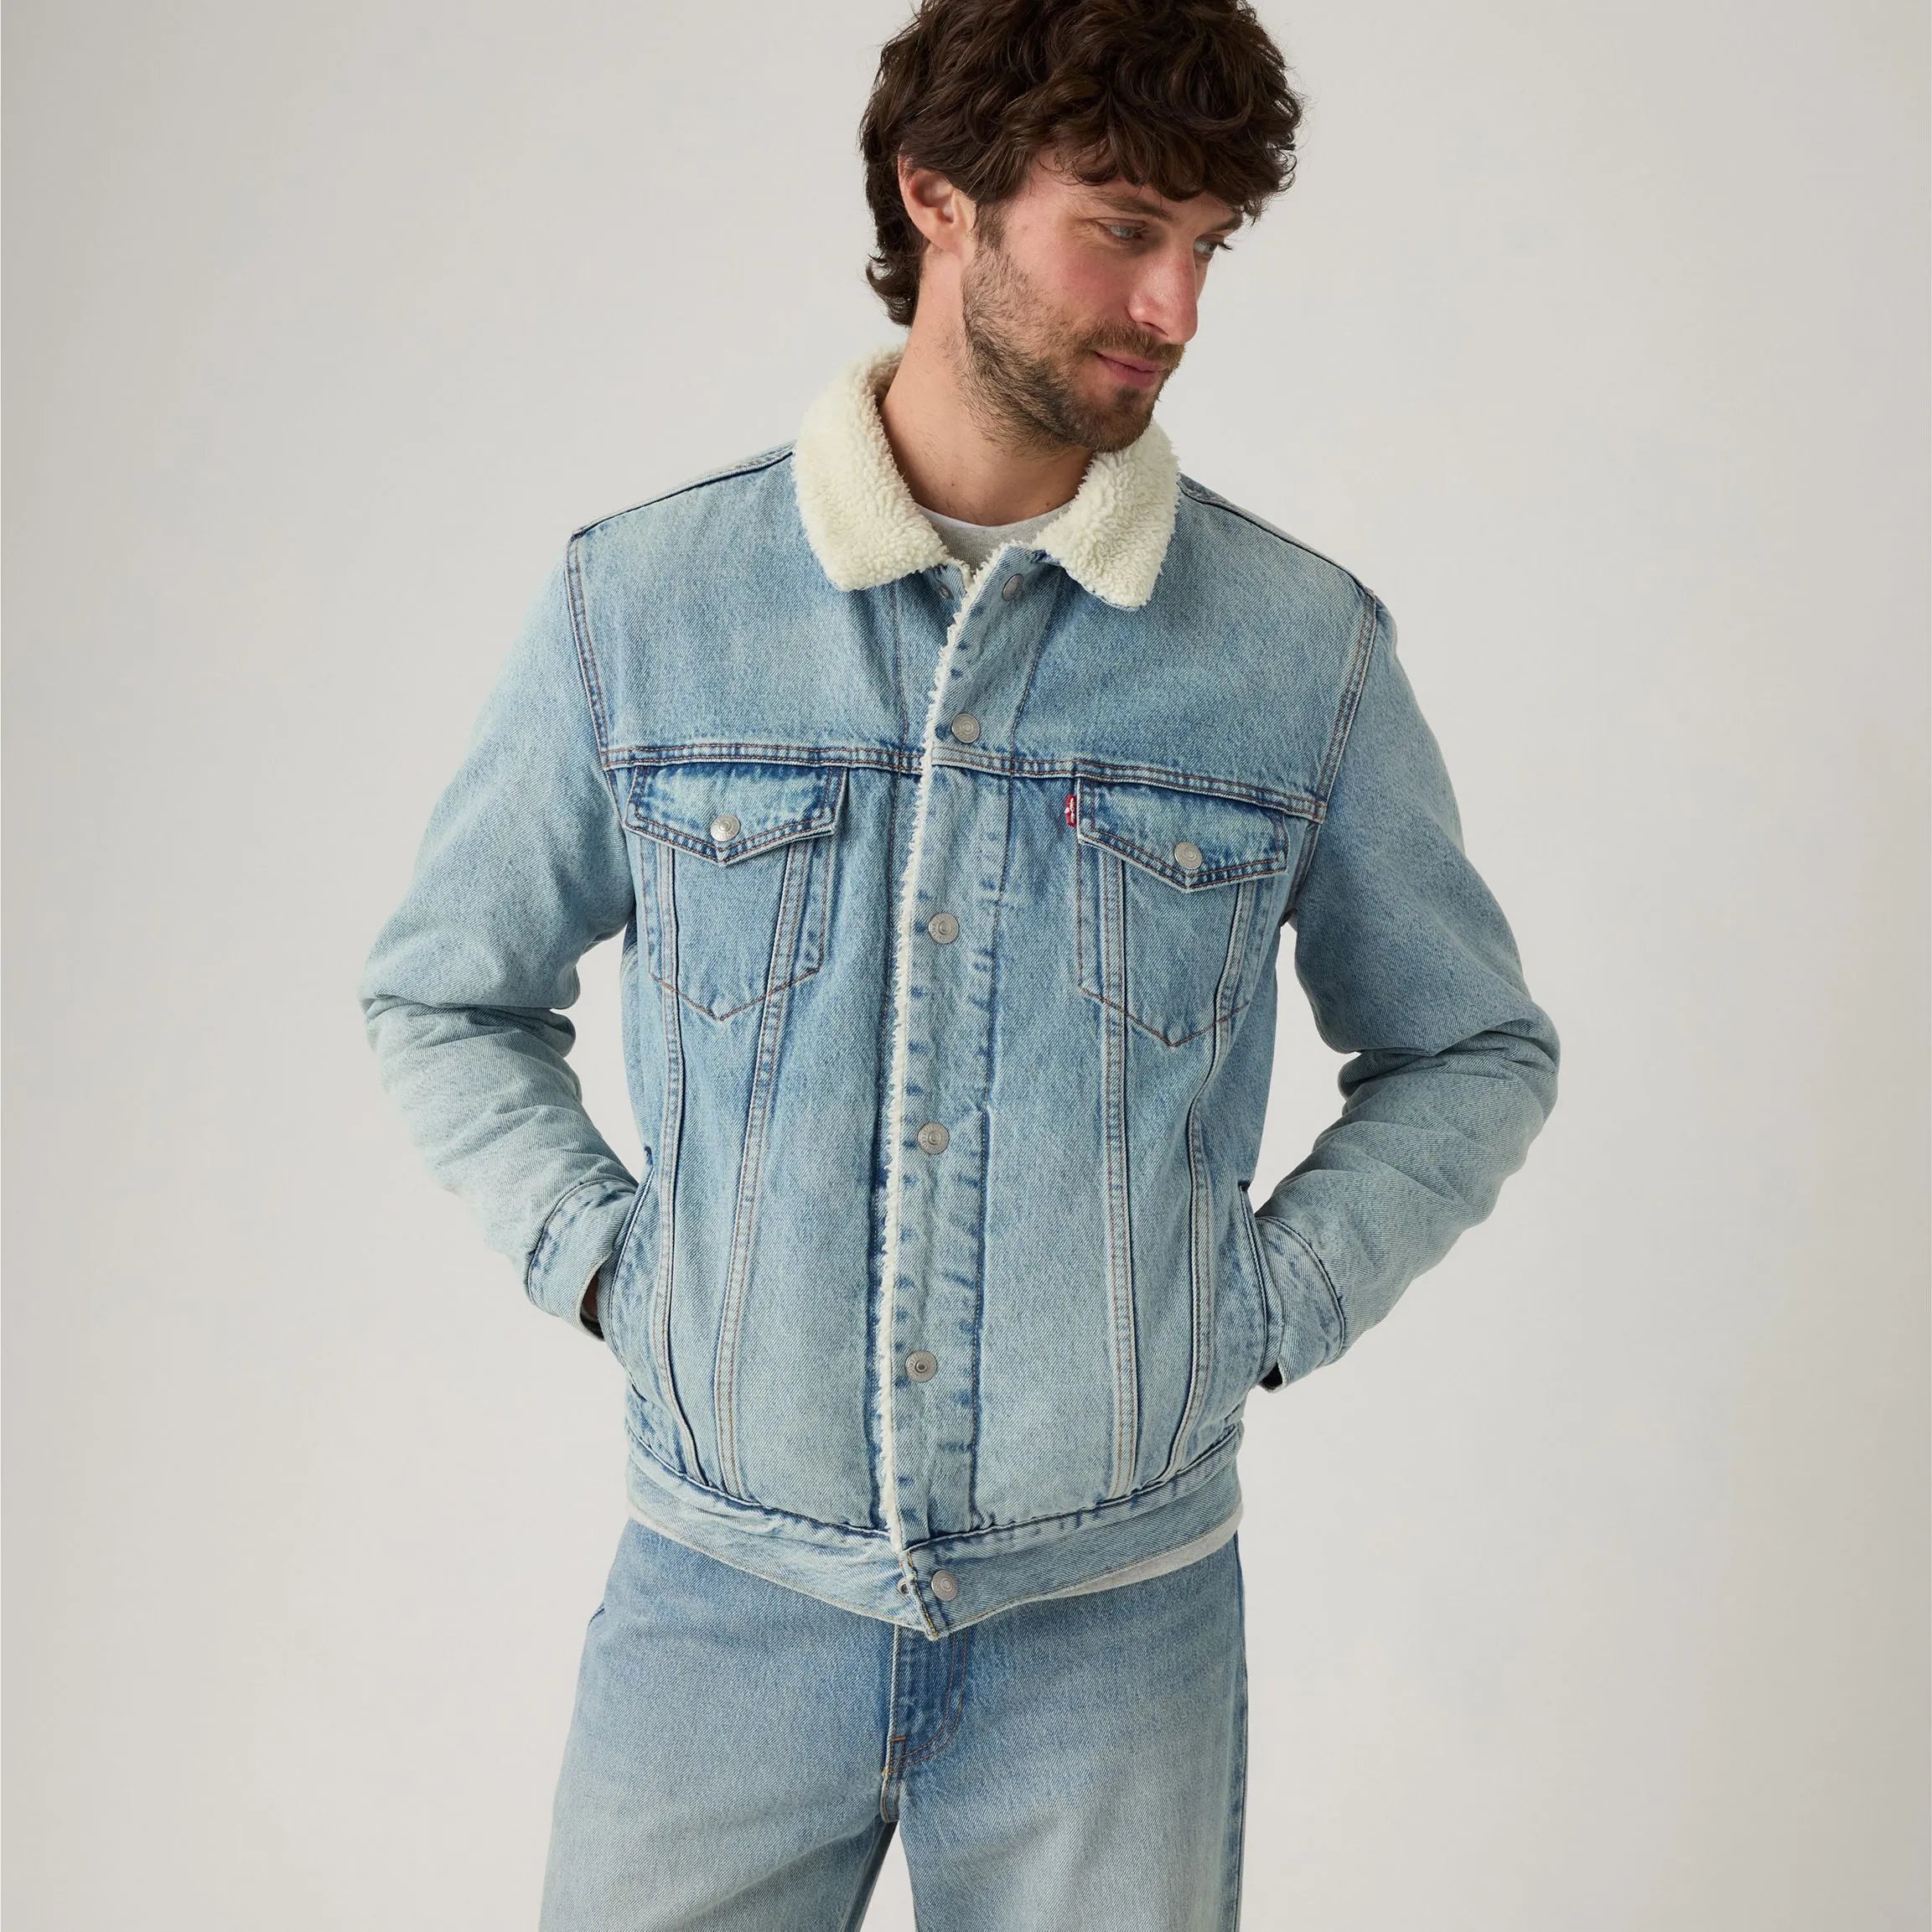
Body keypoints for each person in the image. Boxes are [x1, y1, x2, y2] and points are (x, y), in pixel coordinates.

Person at [357, 0, 1560, 1924]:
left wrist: (1259, 1304)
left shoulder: (1294, 650)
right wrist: (610, 1265)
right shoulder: (645, 607)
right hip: (720, 1604)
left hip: (1118, 1627)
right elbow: (445, 990)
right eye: (1125, 228)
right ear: (939, 197)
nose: (1175, 306)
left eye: (1207, 246)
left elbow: (1472, 1044)